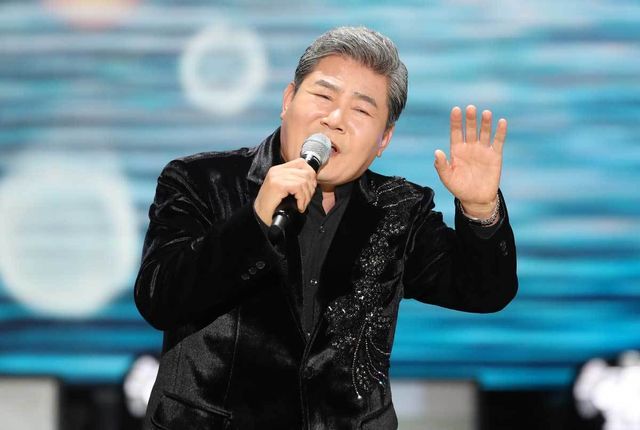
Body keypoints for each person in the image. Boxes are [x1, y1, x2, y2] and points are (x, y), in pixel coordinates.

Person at [134, 26, 518, 430]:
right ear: (288, 100)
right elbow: (159, 298)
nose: (335, 120)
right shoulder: (200, 181)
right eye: (324, 96)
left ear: (384, 139)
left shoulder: (399, 209)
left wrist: (480, 209)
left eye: (361, 111)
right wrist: (255, 221)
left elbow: (484, 291)